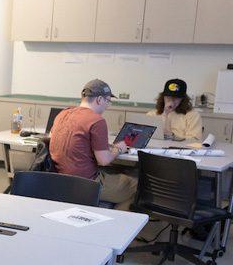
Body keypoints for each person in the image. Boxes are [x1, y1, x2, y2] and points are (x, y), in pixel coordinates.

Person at [49, 79, 137, 210]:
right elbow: (104, 160)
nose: (107, 106)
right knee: (137, 184)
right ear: (99, 99)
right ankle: (114, 225)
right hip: (85, 183)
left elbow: (55, 138)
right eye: (108, 101)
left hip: (59, 179)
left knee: (118, 173)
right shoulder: (97, 120)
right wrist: (119, 148)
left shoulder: (62, 114)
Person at [147, 78, 202, 142]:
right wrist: (165, 114)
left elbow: (195, 140)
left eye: (176, 98)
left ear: (183, 99)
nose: (171, 101)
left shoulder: (192, 115)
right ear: (163, 97)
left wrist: (172, 136)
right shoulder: (152, 114)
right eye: (168, 97)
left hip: (180, 150)